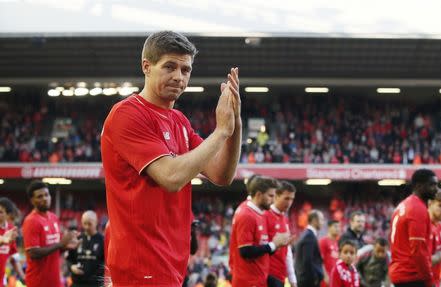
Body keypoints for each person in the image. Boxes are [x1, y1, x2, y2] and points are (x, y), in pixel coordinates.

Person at [101, 31, 241, 286]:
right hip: (141, 264)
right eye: (169, 67)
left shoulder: (180, 121)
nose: (179, 77)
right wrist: (221, 131)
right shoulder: (127, 114)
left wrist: (235, 124)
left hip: (170, 263)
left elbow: (222, 174)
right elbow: (171, 177)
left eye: (185, 70)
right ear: (146, 66)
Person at [229, 176, 291, 287]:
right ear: (258, 195)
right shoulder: (246, 215)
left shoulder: (259, 212)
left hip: (259, 279)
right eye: (270, 196)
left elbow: (261, 248)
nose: (273, 200)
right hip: (248, 281)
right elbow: (245, 251)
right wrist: (273, 245)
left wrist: (277, 244)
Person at [22, 180, 79, 287]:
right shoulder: (31, 221)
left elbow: (55, 249)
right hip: (38, 282)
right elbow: (33, 253)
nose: (45, 198)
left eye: (46, 195)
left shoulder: (53, 217)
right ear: (32, 201)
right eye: (40, 196)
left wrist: (67, 246)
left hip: (55, 281)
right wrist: (60, 244)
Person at [389, 169, 438, 287]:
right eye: (432, 185)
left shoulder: (403, 205)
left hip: (400, 273)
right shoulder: (417, 208)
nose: (436, 189)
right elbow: (418, 249)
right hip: (411, 276)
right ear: (419, 186)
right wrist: (429, 280)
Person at [265, 180, 298, 287]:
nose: (289, 203)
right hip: (268, 275)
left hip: (280, 275)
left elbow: (287, 251)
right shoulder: (265, 215)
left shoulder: (284, 218)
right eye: (286, 198)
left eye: (292, 199)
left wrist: (292, 278)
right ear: (276, 196)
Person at [67, 210, 105, 287]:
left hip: (95, 284)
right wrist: (71, 267)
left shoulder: (102, 240)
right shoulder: (77, 239)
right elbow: (69, 259)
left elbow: (105, 261)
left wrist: (95, 274)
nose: (87, 227)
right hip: (77, 283)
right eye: (84, 223)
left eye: (90, 224)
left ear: (96, 222)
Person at [295, 210, 325, 287]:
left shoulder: (307, 234)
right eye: (322, 219)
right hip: (308, 282)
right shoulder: (309, 236)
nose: (323, 222)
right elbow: (307, 260)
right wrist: (314, 278)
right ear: (314, 220)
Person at [0, 197, 24, 286]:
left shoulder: (10, 230)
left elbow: (14, 257)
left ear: (8, 215)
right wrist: (2, 240)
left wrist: (23, 276)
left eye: (1, 212)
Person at [320, 220, 341, 287]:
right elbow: (320, 260)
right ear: (329, 227)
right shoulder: (323, 241)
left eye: (339, 227)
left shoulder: (337, 242)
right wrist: (325, 276)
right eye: (335, 226)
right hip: (327, 278)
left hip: (336, 277)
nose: (338, 229)